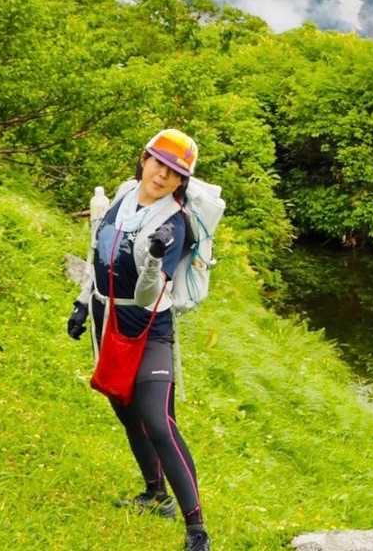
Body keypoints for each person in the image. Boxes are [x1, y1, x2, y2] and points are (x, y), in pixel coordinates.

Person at [66, 129, 211, 551]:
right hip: (106, 315)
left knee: (158, 421)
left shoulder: (174, 223)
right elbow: (99, 252)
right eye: (158, 164)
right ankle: (155, 494)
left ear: (182, 181)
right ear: (144, 159)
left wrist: (154, 257)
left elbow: (149, 295)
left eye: (173, 173)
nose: (162, 175)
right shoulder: (123, 195)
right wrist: (81, 303)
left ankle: (197, 530)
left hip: (148, 325)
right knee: (126, 410)